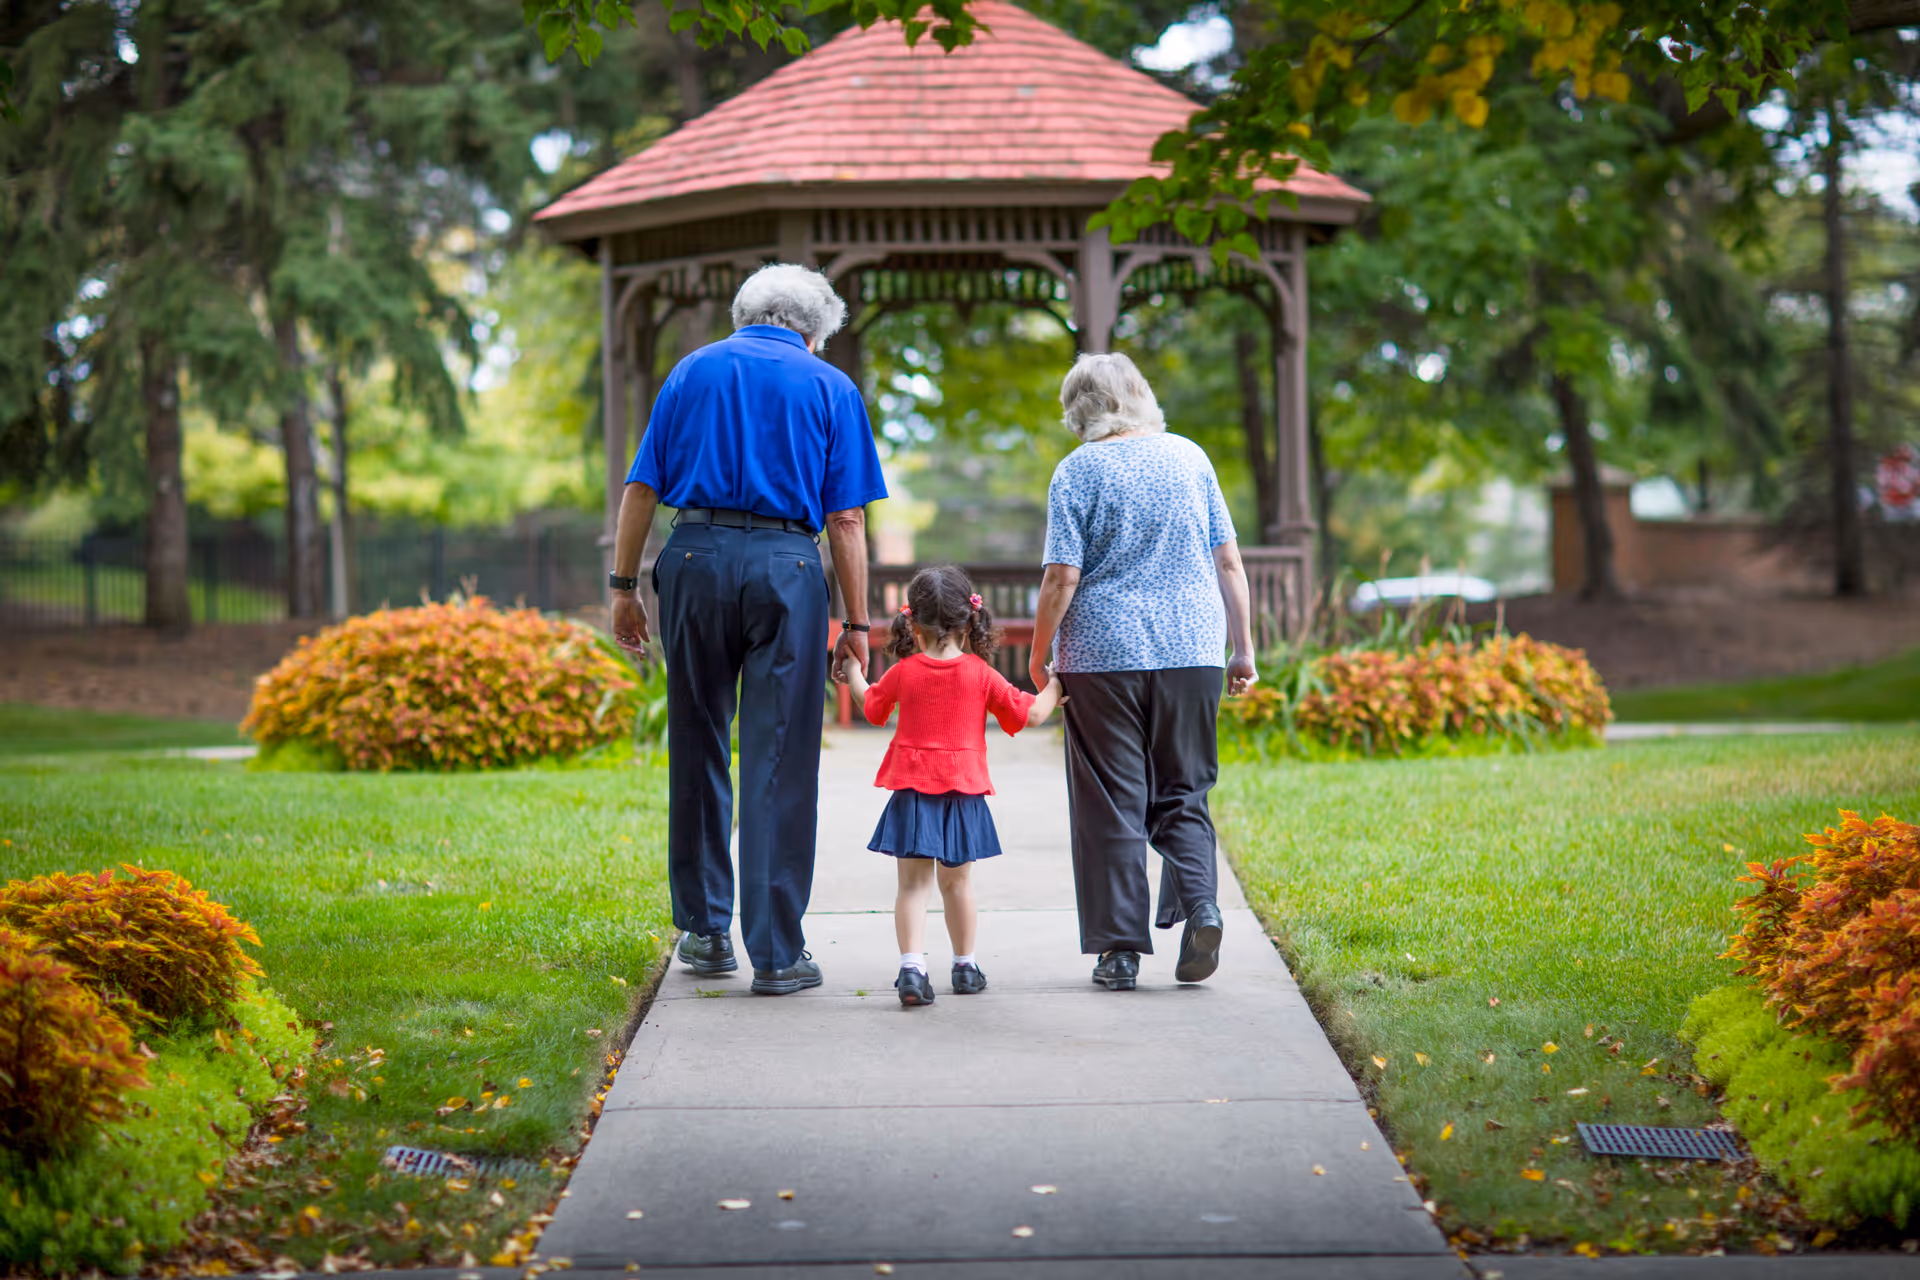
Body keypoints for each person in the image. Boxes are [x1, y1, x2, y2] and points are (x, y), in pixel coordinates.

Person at [609, 263, 886, 996]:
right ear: (812, 329)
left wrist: (623, 585)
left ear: (745, 313)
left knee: (699, 740)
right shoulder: (830, 387)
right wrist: (856, 622)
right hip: (786, 567)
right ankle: (776, 953)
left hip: (693, 559)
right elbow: (848, 518)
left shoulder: (690, 372)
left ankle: (705, 934)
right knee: (779, 757)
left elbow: (641, 486)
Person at [1027, 352, 1258, 993]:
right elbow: (1230, 565)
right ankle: (1203, 907)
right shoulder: (1190, 457)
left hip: (1103, 657)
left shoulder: (1077, 471)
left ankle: (1120, 952)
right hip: (1191, 651)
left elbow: (1061, 576)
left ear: (1079, 410)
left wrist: (1039, 651)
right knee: (1185, 790)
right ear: (1141, 396)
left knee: (1112, 801)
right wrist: (1243, 650)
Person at [840, 565, 1064, 1007]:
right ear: (968, 622)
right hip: (962, 793)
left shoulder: (905, 672)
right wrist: (1056, 685)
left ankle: (911, 968)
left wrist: (851, 669)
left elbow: (871, 706)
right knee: (958, 886)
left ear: (912, 623)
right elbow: (1033, 715)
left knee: (912, 887)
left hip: (913, 791)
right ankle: (965, 966)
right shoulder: (980, 675)